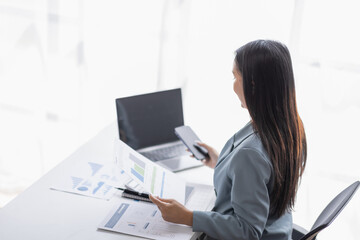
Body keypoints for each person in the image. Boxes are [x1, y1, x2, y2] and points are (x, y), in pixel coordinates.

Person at [149, 39, 307, 240]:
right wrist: (221, 162)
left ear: (252, 84)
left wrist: (187, 217)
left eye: (235, 77)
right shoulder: (289, 129)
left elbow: (248, 232)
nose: (233, 86)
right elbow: (265, 180)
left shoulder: (250, 154)